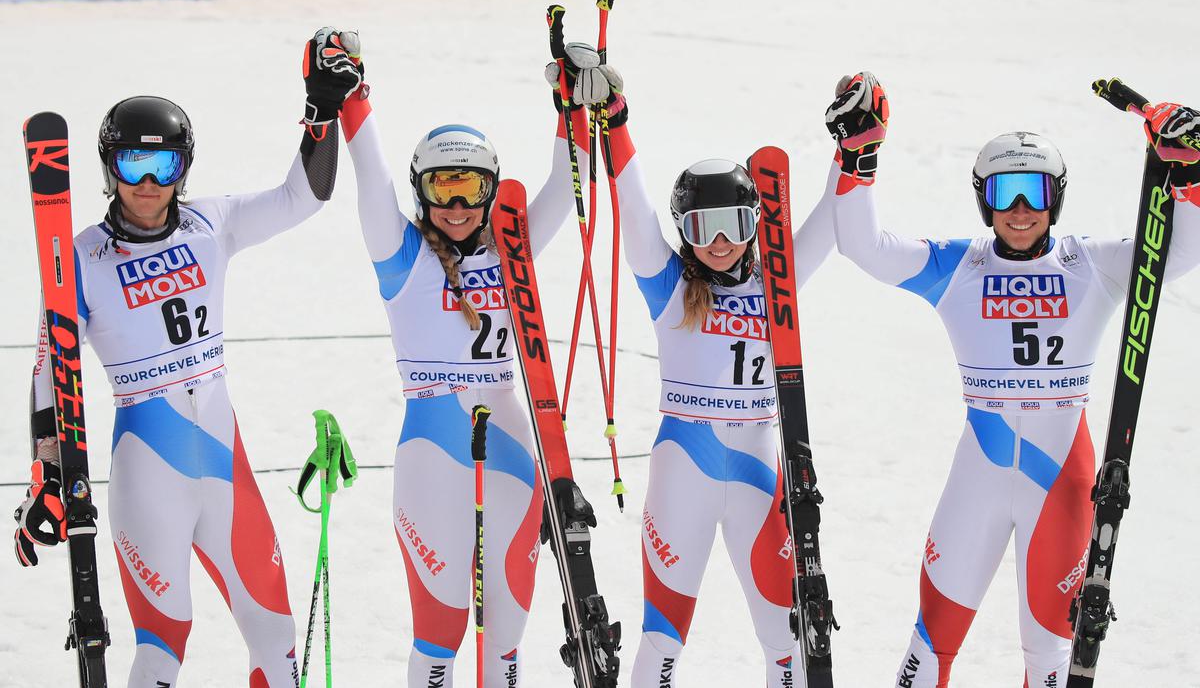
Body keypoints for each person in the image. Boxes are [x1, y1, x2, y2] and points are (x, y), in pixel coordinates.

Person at [12, 28, 362, 687]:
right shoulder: (81, 259)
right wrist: (48, 474)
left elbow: (303, 198)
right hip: (148, 472)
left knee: (275, 636)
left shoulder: (213, 224)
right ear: (108, 168)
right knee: (163, 645)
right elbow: (47, 373)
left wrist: (322, 111)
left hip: (226, 468)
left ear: (185, 168)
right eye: (132, 168)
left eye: (164, 168)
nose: (147, 186)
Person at [828, 72, 1200, 687]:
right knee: (930, 644)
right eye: (1005, 193)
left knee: (1050, 658)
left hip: (1062, 479)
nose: (1021, 210)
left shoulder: (1091, 264)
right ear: (984, 199)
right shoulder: (958, 266)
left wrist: (1187, 176)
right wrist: (856, 156)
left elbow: (1179, 254)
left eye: (1035, 192)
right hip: (980, 472)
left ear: (1056, 197)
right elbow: (863, 246)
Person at [337, 35, 613, 687]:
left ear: (491, 191)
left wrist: (571, 107)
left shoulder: (511, 247)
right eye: (442, 189)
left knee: (506, 642)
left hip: (516, 451)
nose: (456, 207)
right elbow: (368, 176)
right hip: (432, 454)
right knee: (440, 635)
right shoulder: (400, 256)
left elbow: (565, 184)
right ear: (420, 192)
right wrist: (351, 97)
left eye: (471, 189)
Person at [600, 71, 838, 687]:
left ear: (755, 222)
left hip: (762, 466)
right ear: (685, 232)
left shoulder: (777, 280)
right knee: (662, 635)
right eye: (705, 229)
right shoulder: (669, 287)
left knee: (785, 640)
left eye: (735, 222)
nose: (724, 243)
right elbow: (631, 203)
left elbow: (831, 219)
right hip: (686, 464)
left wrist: (854, 152)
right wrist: (616, 119)